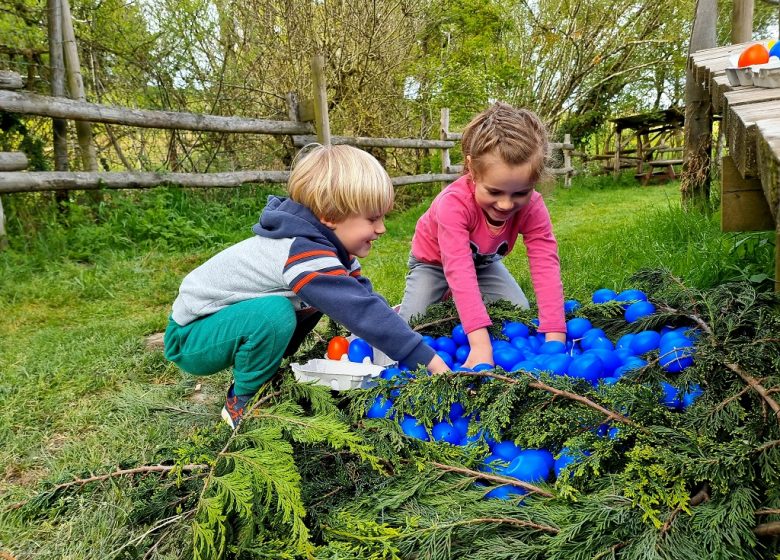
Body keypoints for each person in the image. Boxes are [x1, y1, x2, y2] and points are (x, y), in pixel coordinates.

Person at [164, 144, 449, 428]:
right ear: (330, 216)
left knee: (321, 298)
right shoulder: (302, 253)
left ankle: (265, 369)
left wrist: (393, 325)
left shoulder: (331, 252)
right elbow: (360, 311)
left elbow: (362, 298)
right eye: (372, 218)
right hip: (191, 336)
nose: (382, 228)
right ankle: (242, 399)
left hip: (224, 323)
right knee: (274, 315)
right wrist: (426, 360)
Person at [398, 102, 567, 369]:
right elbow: (458, 270)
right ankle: (408, 306)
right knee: (411, 327)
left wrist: (555, 335)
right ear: (472, 171)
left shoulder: (533, 206)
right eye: (495, 192)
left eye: (520, 193)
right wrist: (480, 345)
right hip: (434, 264)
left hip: (484, 264)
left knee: (518, 311)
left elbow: (545, 264)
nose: (506, 205)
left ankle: (460, 304)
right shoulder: (453, 204)